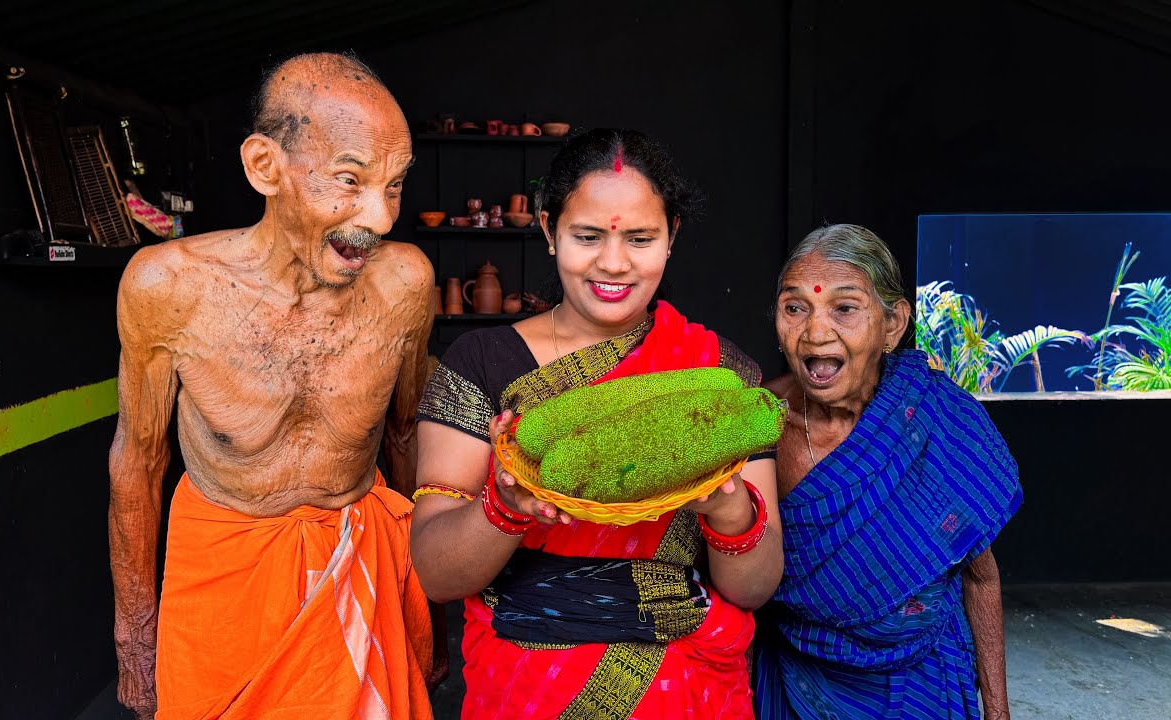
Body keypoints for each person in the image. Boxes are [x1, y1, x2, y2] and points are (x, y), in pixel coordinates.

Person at [108, 52, 440, 720]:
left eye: (395, 185)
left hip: (361, 567)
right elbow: (137, 463)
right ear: (265, 167)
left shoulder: (406, 284)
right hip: (223, 582)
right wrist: (135, 641)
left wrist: (417, 596)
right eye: (350, 180)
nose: (380, 218)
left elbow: (406, 437)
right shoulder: (168, 286)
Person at [412, 128, 784, 719]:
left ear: (672, 237)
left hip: (683, 689)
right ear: (548, 230)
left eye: (641, 238)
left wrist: (729, 508)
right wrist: (505, 506)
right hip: (525, 687)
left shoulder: (720, 376)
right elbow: (435, 574)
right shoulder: (480, 364)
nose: (613, 263)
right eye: (587, 237)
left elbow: (754, 588)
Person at [753, 224, 1021, 719]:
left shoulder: (936, 417)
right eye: (795, 308)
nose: (815, 332)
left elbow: (981, 579)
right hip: (801, 684)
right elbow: (736, 584)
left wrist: (998, 712)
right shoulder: (758, 424)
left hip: (925, 681)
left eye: (844, 308)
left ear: (893, 324)